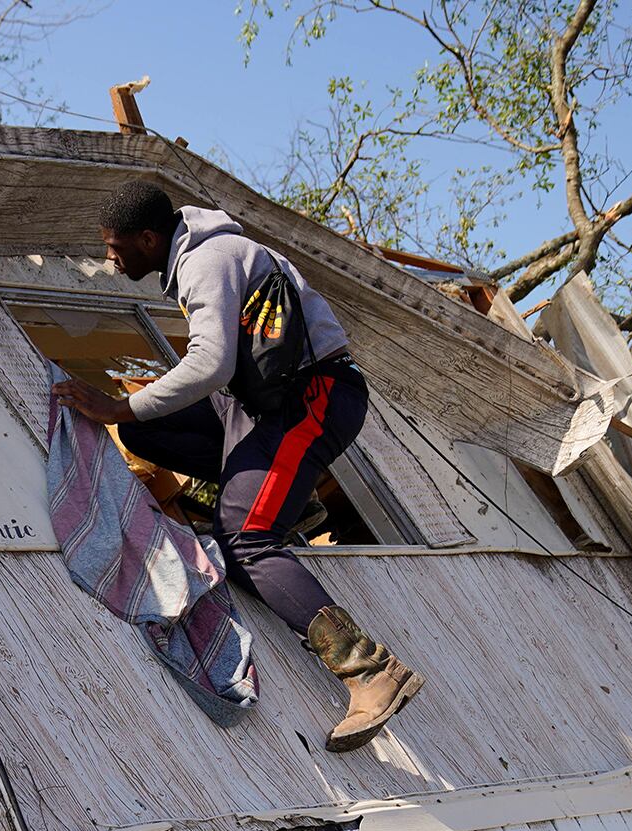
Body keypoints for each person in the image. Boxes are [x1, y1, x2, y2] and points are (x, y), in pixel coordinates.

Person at [51, 180, 425, 753]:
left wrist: (117, 402)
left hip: (313, 396)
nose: (109, 256)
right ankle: (281, 497)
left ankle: (369, 671)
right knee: (143, 428)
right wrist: (130, 413)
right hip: (261, 404)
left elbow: (210, 363)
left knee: (247, 538)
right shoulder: (204, 257)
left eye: (115, 245)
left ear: (149, 238)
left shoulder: (206, 260)